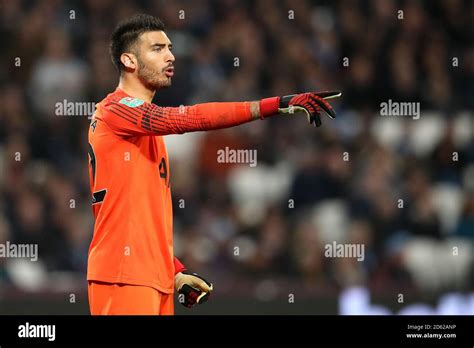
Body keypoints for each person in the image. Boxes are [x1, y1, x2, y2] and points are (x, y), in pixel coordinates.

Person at [87, 13, 340, 315]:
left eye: (170, 47)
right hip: (122, 276)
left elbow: (138, 216)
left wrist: (174, 271)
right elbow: (185, 118)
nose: (170, 56)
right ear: (129, 60)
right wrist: (274, 105)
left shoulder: (145, 134)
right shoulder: (115, 109)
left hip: (152, 277)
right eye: (157, 48)